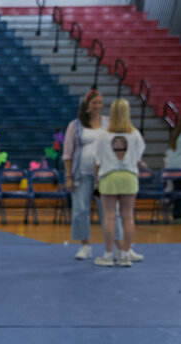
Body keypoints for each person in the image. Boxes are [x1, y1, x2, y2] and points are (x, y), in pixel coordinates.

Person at [63, 90, 129, 261]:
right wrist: (68, 176)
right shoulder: (75, 125)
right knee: (80, 210)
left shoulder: (108, 123)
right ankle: (85, 246)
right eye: (94, 103)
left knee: (110, 212)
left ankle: (119, 247)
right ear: (87, 105)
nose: (98, 106)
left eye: (100, 102)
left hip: (105, 175)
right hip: (81, 174)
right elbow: (67, 153)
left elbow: (119, 144)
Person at [93, 98, 146, 268]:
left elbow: (97, 161)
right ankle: (125, 255)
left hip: (109, 177)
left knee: (109, 217)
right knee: (128, 216)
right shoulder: (135, 134)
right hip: (129, 177)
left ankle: (108, 255)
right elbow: (138, 158)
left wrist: (96, 182)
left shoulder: (102, 135)